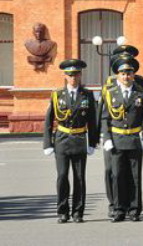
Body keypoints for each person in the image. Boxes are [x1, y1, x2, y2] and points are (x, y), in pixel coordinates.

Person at [43, 59, 98, 223]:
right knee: (62, 176)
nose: (73, 78)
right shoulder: (57, 95)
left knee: (79, 178)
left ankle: (78, 212)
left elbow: (92, 121)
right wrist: (47, 143)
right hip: (62, 139)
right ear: (65, 76)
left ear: (80, 75)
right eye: (69, 75)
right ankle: (62, 211)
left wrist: (92, 142)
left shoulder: (87, 95)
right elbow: (48, 120)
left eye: (76, 75)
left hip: (80, 139)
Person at [101, 57, 143, 222]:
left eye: (129, 73)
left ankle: (134, 209)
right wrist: (106, 138)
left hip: (133, 139)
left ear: (133, 75)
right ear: (118, 75)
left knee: (134, 176)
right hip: (116, 139)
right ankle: (118, 209)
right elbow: (104, 118)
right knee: (117, 176)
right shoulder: (110, 94)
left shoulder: (141, 94)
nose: (126, 76)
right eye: (123, 73)